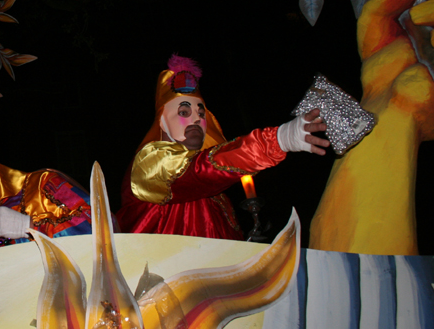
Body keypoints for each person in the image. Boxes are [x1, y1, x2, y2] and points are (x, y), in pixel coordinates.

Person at [116, 55, 328, 240]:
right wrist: (277, 140)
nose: (197, 119)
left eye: (201, 113)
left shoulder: (218, 198)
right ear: (162, 122)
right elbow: (199, 171)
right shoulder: (150, 163)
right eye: (183, 112)